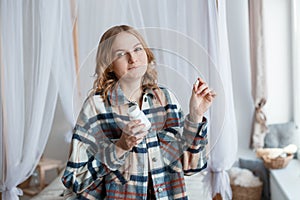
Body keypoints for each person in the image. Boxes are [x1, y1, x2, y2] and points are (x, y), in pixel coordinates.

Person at [61, 25, 216, 200]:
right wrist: (119, 147)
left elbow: (192, 166)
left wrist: (195, 116)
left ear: (147, 54)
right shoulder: (96, 107)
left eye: (137, 49)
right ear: (109, 65)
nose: (132, 58)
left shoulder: (166, 99)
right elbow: (73, 178)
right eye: (120, 54)